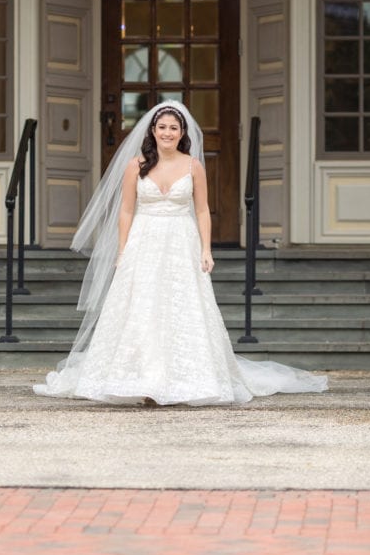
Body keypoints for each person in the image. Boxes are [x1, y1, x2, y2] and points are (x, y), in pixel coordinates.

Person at [34, 101, 328, 404]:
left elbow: (202, 211)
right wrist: (122, 250)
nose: (167, 132)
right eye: (162, 127)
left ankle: (185, 377)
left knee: (181, 304)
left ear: (182, 132)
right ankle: (139, 378)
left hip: (180, 241)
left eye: (173, 128)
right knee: (142, 306)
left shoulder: (193, 166)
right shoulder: (135, 165)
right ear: (152, 130)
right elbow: (125, 211)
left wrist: (205, 249)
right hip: (144, 240)